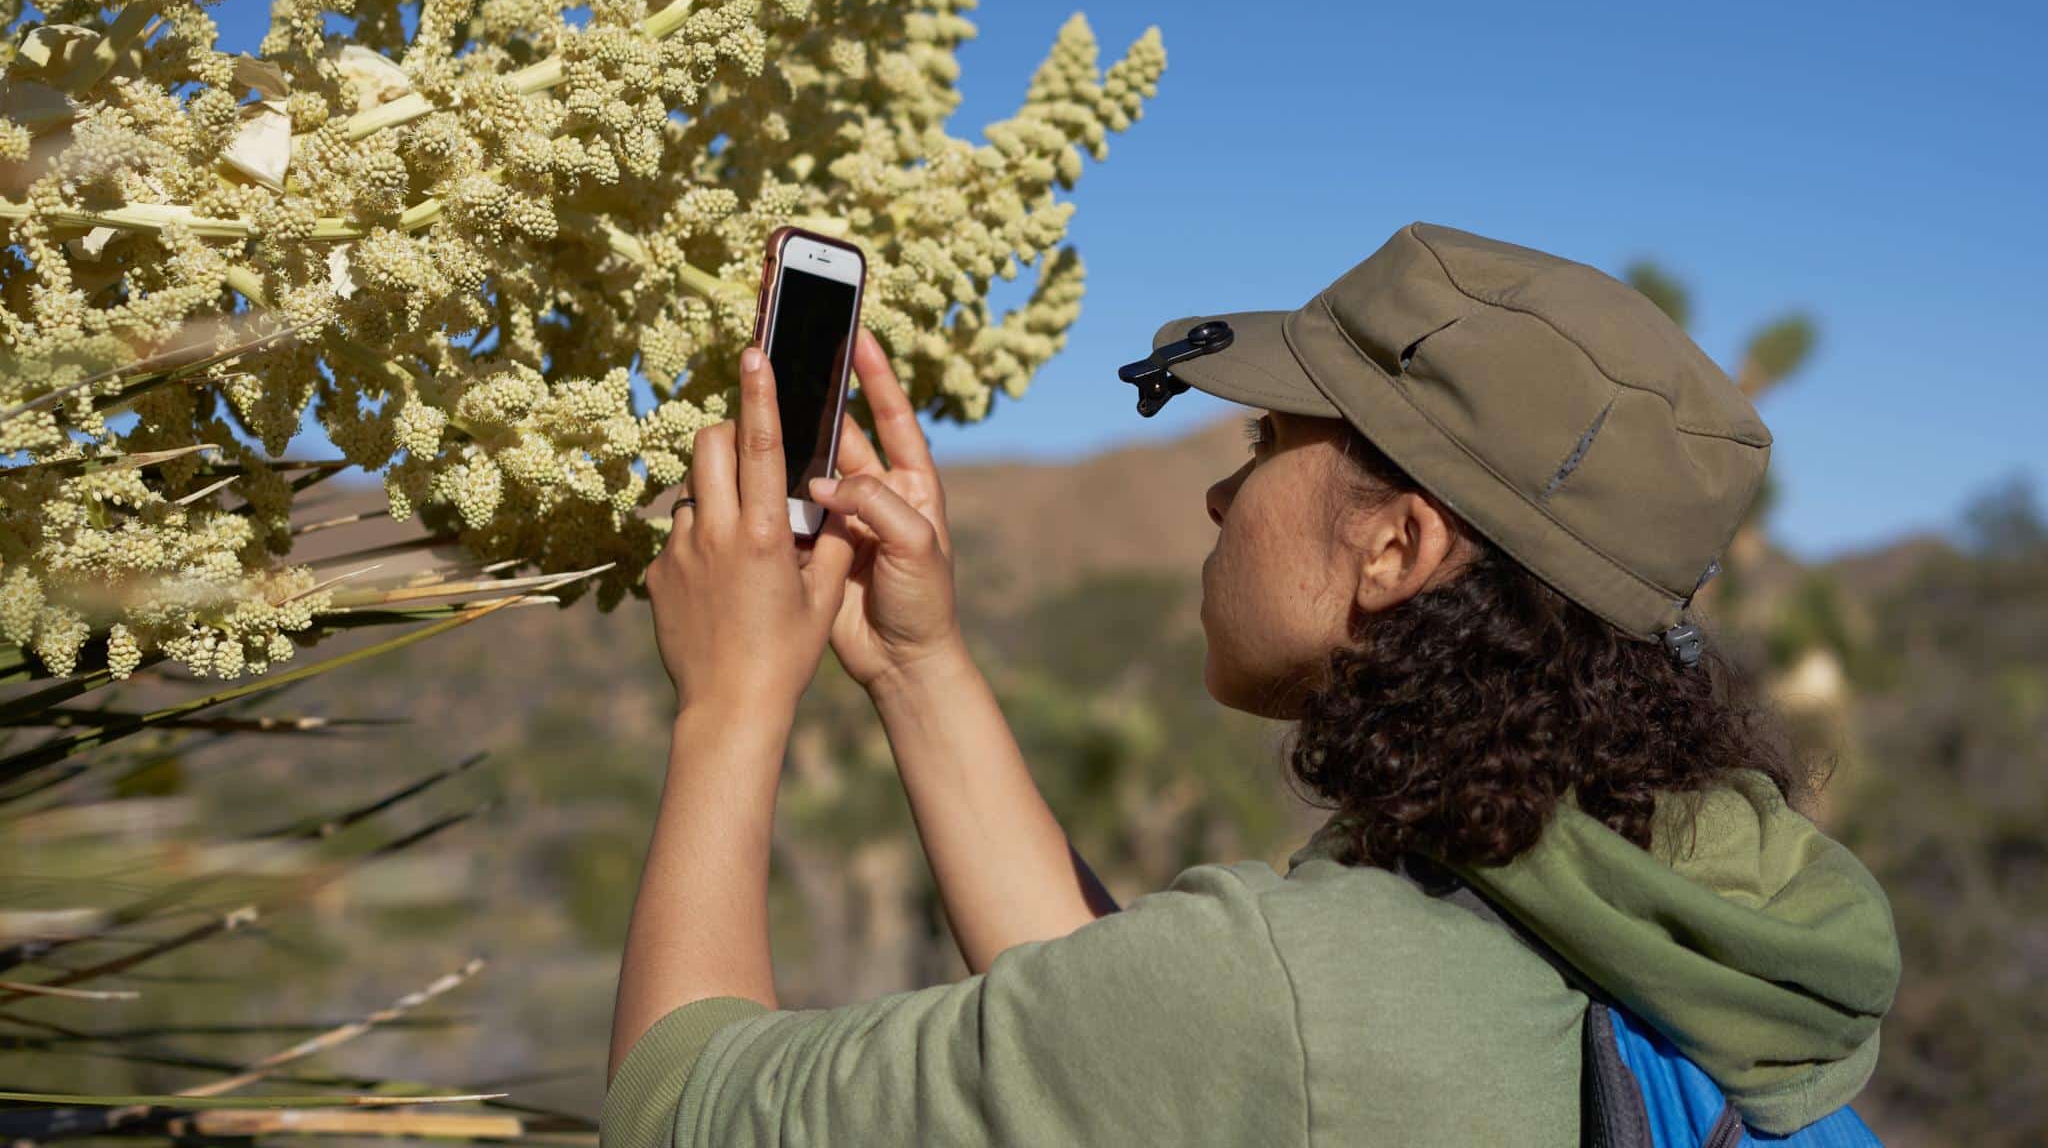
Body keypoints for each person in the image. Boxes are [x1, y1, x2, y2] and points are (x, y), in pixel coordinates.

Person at [600, 222, 1901, 1147]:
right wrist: (914, 663)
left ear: (1396, 550)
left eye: (1267, 437)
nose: (1223, 494)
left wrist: (731, 705)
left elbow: (675, 1111)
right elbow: (1132, 1044)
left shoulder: (1295, 999)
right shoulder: (1666, 915)